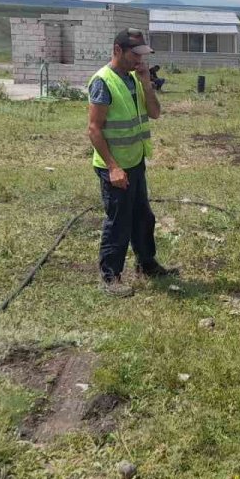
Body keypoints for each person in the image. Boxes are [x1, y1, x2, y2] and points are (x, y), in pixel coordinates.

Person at [87, 28, 178, 297]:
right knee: (119, 222)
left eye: (143, 55)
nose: (139, 59)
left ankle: (146, 264)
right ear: (118, 50)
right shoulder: (103, 81)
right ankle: (110, 277)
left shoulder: (134, 79)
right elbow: (94, 129)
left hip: (135, 161)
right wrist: (113, 167)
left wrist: (146, 82)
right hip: (114, 167)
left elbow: (155, 113)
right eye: (134, 54)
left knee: (143, 216)